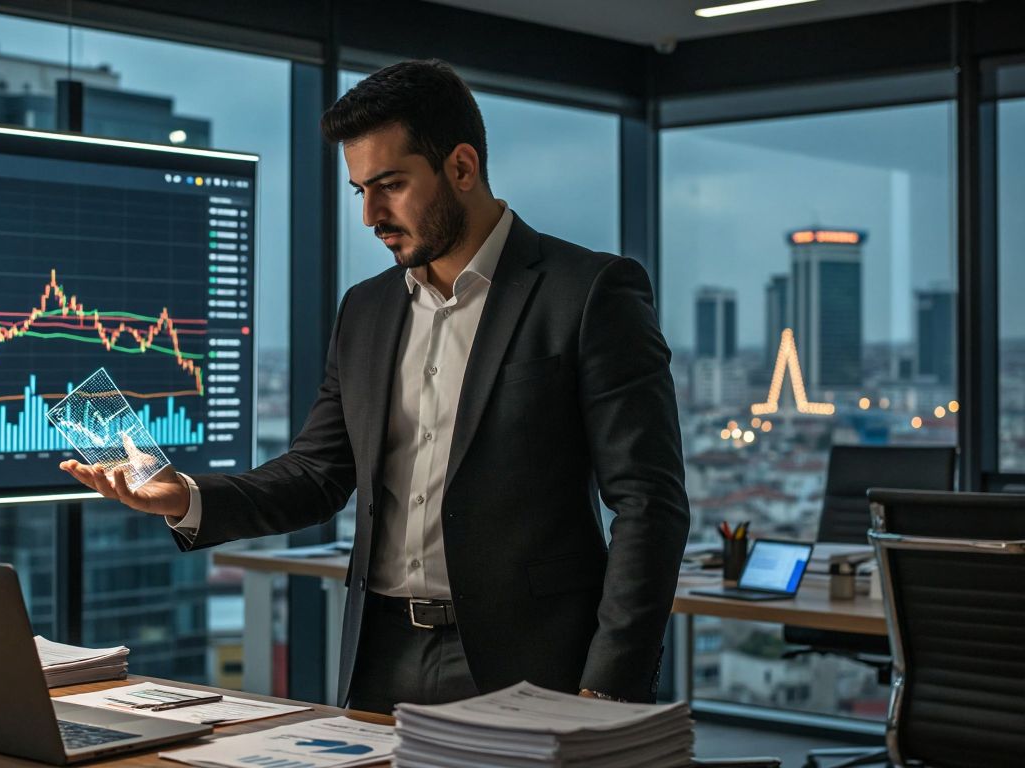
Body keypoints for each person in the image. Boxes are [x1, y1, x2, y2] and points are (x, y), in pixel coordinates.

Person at [62, 59, 690, 713]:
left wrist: (609, 686)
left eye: (389, 185)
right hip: (381, 655)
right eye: (360, 189)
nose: (369, 215)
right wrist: (185, 497)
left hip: (534, 663)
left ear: (462, 167)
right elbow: (317, 475)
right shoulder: (367, 309)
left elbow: (649, 503)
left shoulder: (587, 293)